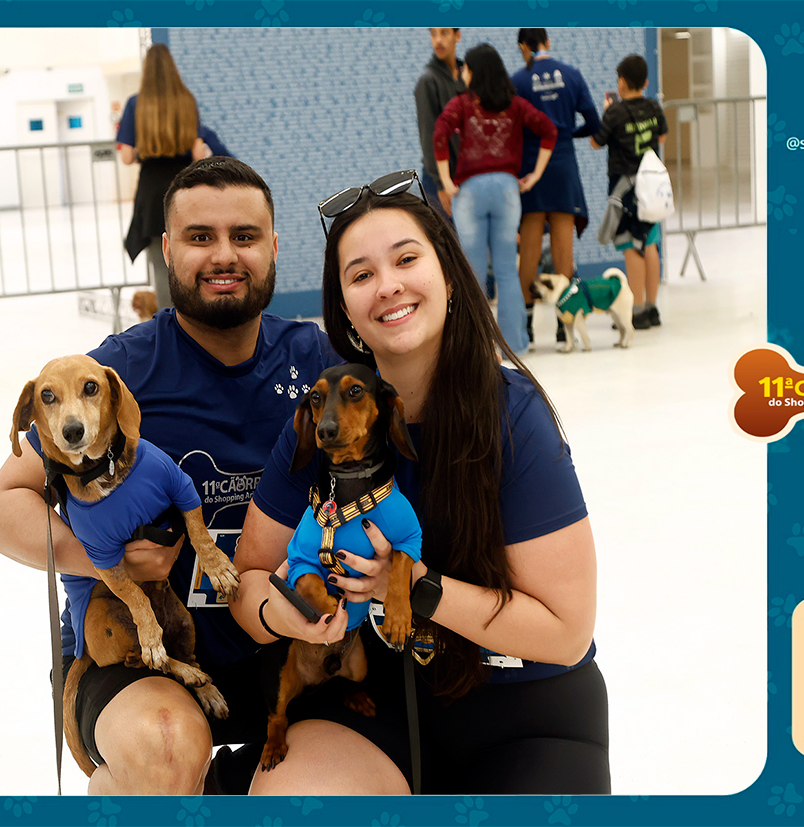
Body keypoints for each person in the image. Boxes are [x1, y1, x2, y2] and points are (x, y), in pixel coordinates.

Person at [231, 176, 610, 795]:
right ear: (345, 311)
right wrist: (286, 614)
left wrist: (411, 586)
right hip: (373, 704)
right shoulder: (322, 422)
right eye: (361, 274)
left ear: (450, 276)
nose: (388, 285)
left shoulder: (513, 416)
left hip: (525, 710)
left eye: (406, 259)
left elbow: (566, 633)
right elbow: (248, 584)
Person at [0, 157, 338, 795]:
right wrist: (104, 559)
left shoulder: (316, 360)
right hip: (138, 653)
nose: (224, 255)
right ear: (167, 250)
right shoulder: (116, 373)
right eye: (200, 237)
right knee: (164, 748)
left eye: (244, 236)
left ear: (274, 248)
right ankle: (133, 781)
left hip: (282, 640)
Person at [433, 43, 557, 358]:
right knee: (506, 271)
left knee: (472, 274)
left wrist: (446, 181)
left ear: (474, 72)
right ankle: (515, 346)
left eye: (466, 67)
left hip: (470, 192)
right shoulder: (514, 105)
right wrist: (535, 175)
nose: (462, 72)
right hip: (507, 189)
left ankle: (475, 349)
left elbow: (440, 134)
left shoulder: (461, 104)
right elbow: (549, 130)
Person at [118, 44, 233, 311]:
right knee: (193, 255)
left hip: (151, 193)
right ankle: (196, 320)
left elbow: (126, 156)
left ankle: (168, 325)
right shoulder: (186, 100)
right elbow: (197, 150)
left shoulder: (136, 103)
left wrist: (147, 149)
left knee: (161, 265)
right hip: (184, 186)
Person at [511, 28, 601, 347]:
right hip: (563, 165)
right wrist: (565, 135)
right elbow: (595, 124)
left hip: (531, 168)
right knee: (564, 248)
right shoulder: (572, 75)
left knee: (529, 251)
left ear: (523, 47)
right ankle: (565, 326)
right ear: (548, 42)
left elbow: (512, 128)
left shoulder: (518, 81)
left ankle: (526, 328)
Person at [590, 53, 668, 329]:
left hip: (624, 190)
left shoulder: (615, 112)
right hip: (651, 186)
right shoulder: (653, 107)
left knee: (630, 245)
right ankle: (652, 307)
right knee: (649, 242)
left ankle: (635, 311)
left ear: (621, 82)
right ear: (645, 82)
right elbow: (662, 136)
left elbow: (596, 142)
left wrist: (605, 112)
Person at [414, 28, 466, 224]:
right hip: (439, 178)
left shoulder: (468, 74)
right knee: (446, 237)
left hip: (467, 174)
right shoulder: (428, 81)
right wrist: (441, 184)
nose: (438, 40)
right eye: (433, 34)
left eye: (444, 33)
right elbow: (428, 136)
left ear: (457, 36)